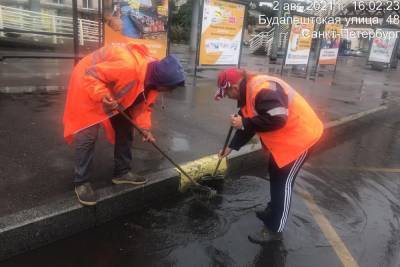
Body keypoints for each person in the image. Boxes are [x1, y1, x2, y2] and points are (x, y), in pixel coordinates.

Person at [63, 43, 185, 206]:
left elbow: (142, 106)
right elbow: (91, 74)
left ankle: (122, 172)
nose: (169, 92)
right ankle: (82, 182)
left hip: (111, 89)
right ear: (162, 82)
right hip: (86, 82)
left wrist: (144, 128)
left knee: (126, 127)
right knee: (88, 134)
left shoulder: (153, 79)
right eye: (169, 88)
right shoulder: (128, 67)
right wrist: (103, 95)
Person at [215, 68, 323, 244]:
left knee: (284, 182)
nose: (227, 96)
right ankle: (273, 210)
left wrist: (244, 122)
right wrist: (231, 148)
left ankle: (274, 229)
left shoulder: (261, 90)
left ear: (234, 86)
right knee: (274, 172)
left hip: (301, 138)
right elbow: (248, 126)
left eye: (226, 92)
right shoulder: (247, 96)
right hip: (286, 141)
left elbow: (278, 118)